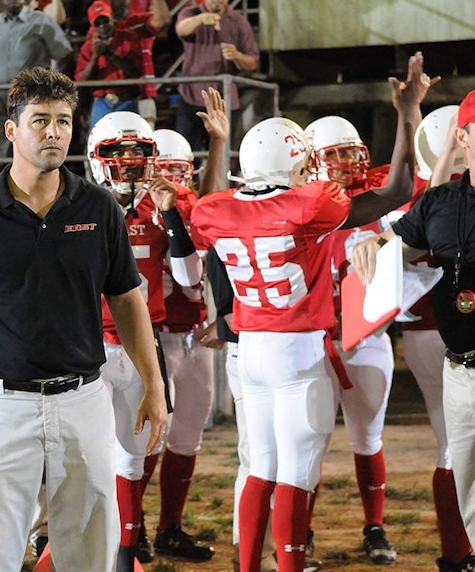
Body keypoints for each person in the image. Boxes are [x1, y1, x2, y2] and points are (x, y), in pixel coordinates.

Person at [0, 66, 168, 572]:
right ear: (12, 130)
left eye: (64, 121)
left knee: (89, 552)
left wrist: (153, 383)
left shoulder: (99, 207)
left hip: (84, 397)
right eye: (40, 120)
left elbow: (128, 302)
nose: (54, 132)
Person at [190, 52, 432, 572]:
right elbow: (396, 191)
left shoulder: (218, 208)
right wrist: (407, 114)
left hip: (249, 352)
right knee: (297, 473)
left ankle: (249, 565)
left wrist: (217, 143)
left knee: (260, 468)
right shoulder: (310, 204)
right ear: (295, 163)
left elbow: (207, 202)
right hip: (297, 352)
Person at [352, 92, 475, 572]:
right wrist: (373, 246)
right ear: (462, 138)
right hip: (460, 370)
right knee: (466, 480)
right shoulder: (441, 201)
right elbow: (397, 240)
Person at [86, 111, 204, 571]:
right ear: (98, 156)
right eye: (118, 151)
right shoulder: (77, 202)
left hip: (140, 345)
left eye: (138, 151)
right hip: (87, 346)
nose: (130, 161)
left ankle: (123, 557)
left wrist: (170, 214)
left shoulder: (162, 205)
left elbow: (190, 276)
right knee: (80, 455)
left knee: (134, 457)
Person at [304, 114, 399, 565]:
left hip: (368, 334)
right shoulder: (301, 205)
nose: (345, 163)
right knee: (309, 442)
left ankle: (375, 526)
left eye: (350, 152)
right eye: (333, 154)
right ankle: (299, 529)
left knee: (368, 436)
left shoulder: (376, 199)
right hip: (315, 340)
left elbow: (413, 202)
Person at [145, 127, 219, 564]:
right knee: (149, 442)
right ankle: (129, 529)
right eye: (165, 169)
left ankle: (169, 527)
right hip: (157, 337)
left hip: (197, 333)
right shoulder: (136, 211)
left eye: (180, 169)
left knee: (188, 438)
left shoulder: (199, 209)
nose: (173, 178)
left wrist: (224, 316)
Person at [0, 0, 73, 159]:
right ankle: (8, 177)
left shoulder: (42, 22)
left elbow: (66, 56)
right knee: (3, 142)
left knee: (30, 142)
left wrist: (53, 86)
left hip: (30, 96)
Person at [173, 0, 258, 155]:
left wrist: (237, 56)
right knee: (186, 154)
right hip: (192, 96)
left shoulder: (238, 21)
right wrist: (201, 19)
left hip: (224, 101)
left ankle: (224, 180)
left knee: (224, 155)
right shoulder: (190, 13)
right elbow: (182, 29)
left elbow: (252, 62)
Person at [75, 0, 164, 129]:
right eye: (98, 23)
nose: (102, 26)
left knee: (131, 141)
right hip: (102, 102)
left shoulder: (128, 38)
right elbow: (81, 83)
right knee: (98, 144)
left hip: (127, 99)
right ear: (92, 25)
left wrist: (110, 54)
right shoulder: (88, 46)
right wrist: (95, 58)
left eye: (105, 20)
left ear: (112, 18)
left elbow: (136, 73)